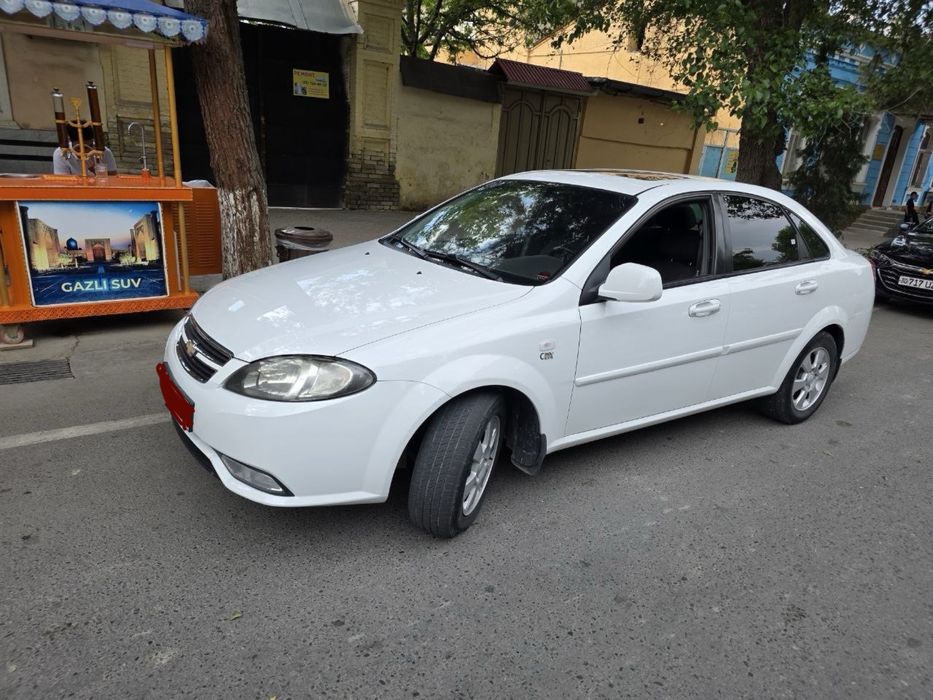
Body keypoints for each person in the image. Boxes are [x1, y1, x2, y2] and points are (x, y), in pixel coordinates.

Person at [52, 125, 117, 176]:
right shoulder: (61, 153)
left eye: (90, 146)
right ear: (70, 142)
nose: (85, 152)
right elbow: (63, 183)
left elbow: (113, 179)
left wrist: (96, 171)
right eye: (79, 148)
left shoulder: (103, 152)